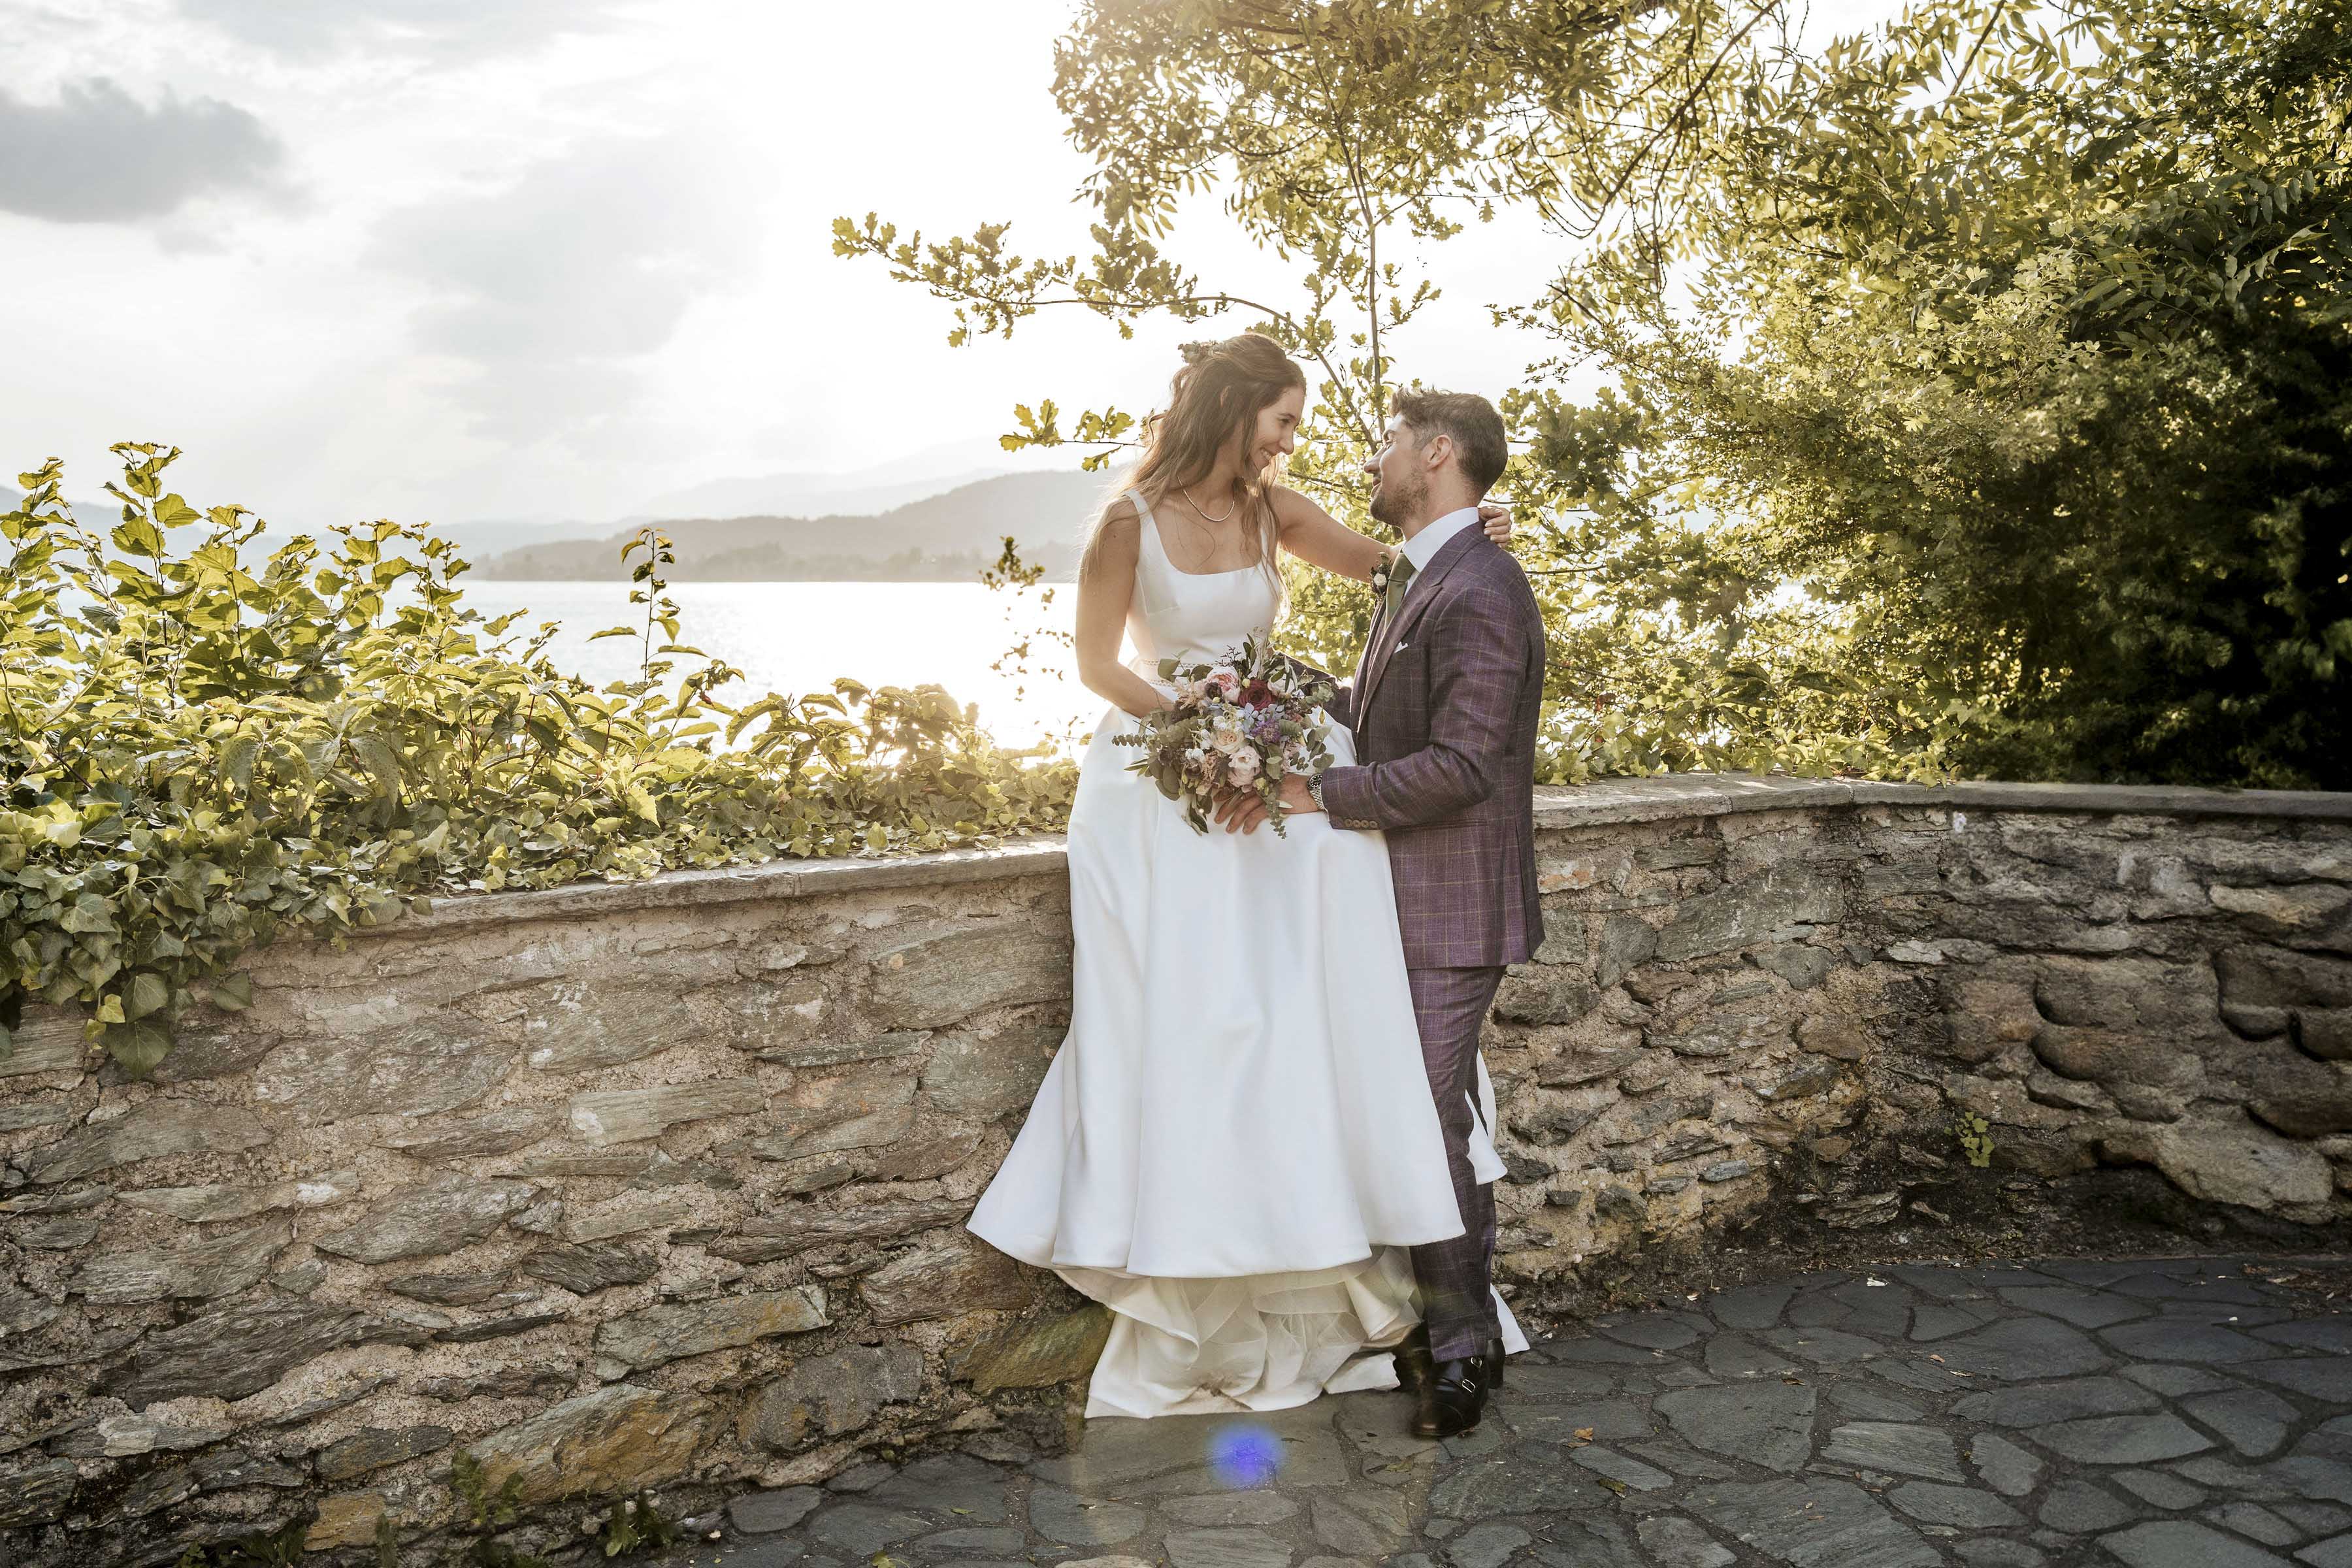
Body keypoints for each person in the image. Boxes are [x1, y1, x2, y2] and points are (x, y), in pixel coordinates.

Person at [966, 333, 1526, 1426]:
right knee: (1198, 1011)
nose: (1291, 441)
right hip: (1164, 766)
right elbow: (1097, 664)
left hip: (1270, 763)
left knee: (1301, 1001)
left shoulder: (1279, 511)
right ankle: (1199, 1231)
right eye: (1283, 420)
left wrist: (1484, 530)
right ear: (1235, 409)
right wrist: (1197, 722)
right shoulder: (1126, 524)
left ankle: (1341, 1232)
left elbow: (1401, 568)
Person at [1226, 387, 1548, 1440]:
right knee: (1423, 1119)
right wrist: (1260, 697)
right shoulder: (1427, 572)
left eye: (1388, 443)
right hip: (1390, 898)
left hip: (1450, 905)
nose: (1373, 459)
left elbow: (1461, 766)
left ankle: (1463, 1350)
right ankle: (1444, 1329)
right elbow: (1381, 722)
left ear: (1438, 452)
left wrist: (1311, 793)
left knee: (1423, 1120)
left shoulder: (1483, 586)